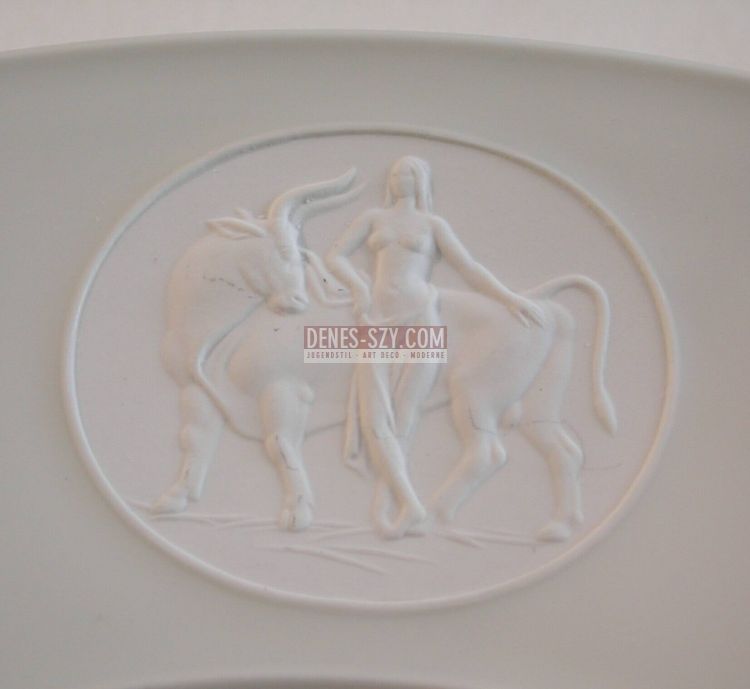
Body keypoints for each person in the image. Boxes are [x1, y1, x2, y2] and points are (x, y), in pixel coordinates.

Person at [325, 156, 543, 537]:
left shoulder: (433, 225)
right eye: (396, 173)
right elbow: (335, 255)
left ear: (420, 180)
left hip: (421, 317)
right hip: (376, 319)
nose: (400, 178)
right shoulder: (373, 218)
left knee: (406, 412)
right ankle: (408, 502)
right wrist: (359, 287)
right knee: (374, 415)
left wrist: (509, 298)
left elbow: (469, 267)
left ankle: (388, 503)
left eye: (409, 173)